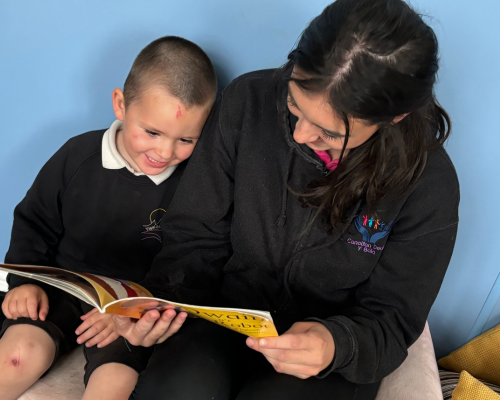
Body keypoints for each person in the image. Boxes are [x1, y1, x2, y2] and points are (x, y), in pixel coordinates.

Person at [115, 0, 459, 399]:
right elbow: (193, 235)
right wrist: (162, 302)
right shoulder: (247, 102)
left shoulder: (428, 184)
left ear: (394, 117)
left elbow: (393, 319)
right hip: (222, 319)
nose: (299, 135)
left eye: (329, 133)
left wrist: (336, 345)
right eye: (294, 105)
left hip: (326, 352)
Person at [0, 36, 216, 400]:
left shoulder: (195, 185)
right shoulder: (77, 155)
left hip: (130, 311)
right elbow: (34, 220)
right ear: (120, 104)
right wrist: (23, 281)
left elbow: (187, 263)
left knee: (115, 384)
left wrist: (132, 315)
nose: (164, 151)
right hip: (60, 288)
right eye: (152, 132)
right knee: (17, 356)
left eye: (186, 140)